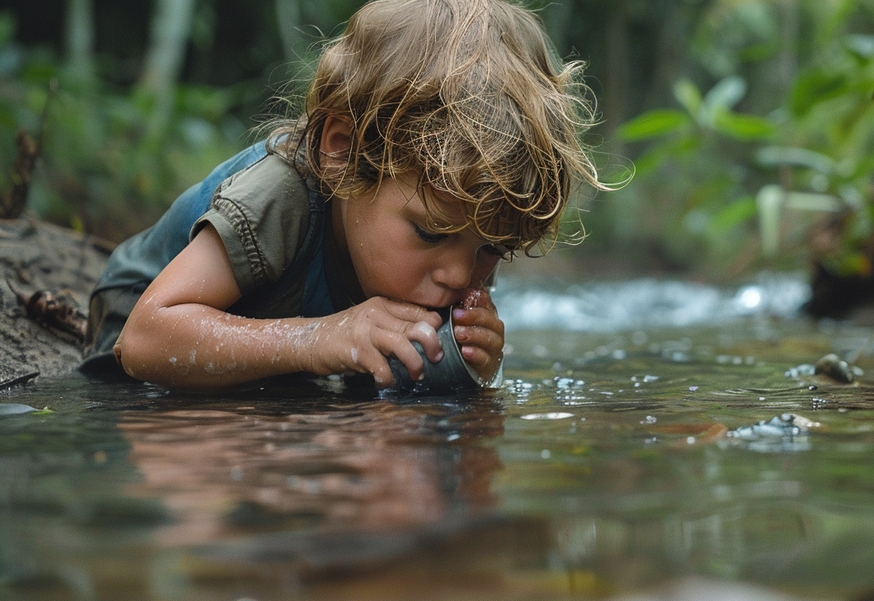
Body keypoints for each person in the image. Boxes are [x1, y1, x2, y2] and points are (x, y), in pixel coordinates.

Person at [80, 0, 603, 390]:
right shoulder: (280, 195)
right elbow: (145, 341)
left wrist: (476, 361)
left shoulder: (448, 239)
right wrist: (319, 338)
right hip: (143, 313)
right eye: (429, 233)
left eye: (492, 249)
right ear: (342, 154)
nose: (459, 276)